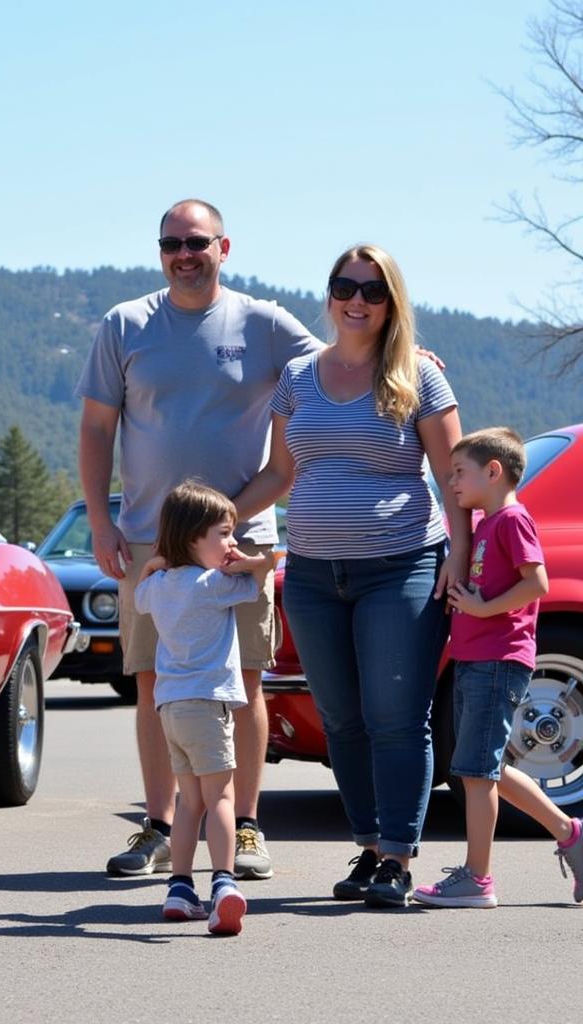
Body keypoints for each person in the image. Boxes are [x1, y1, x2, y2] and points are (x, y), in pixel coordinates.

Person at [76, 199, 322, 880]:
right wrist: (100, 519)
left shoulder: (265, 324)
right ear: (160, 252)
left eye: (197, 242)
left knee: (241, 684)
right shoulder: (124, 325)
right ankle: (158, 828)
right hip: (148, 547)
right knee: (156, 685)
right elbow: (96, 431)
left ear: (224, 246)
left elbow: (339, 368)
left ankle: (243, 827)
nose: (184, 254)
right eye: (171, 244)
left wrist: (402, 352)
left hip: (242, 547)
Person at [231, 243, 469, 908]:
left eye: (372, 290)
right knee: (340, 719)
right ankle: (367, 846)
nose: (356, 300)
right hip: (310, 574)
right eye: (345, 287)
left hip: (401, 569)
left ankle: (397, 854)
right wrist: (216, 515)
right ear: (330, 294)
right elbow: (280, 473)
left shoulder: (419, 378)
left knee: (396, 717)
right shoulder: (300, 376)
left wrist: (462, 552)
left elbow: (455, 481)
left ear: (391, 303)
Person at [413, 428, 583, 907]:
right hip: (475, 661)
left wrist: (484, 609)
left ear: (494, 471)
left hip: (498, 659)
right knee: (483, 768)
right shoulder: (485, 522)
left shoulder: (511, 520)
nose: (453, 484)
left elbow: (538, 583)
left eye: (460, 474)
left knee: (478, 773)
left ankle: (477, 878)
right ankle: (572, 835)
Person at [134, 481, 275, 934]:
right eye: (223, 533)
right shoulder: (215, 584)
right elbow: (263, 573)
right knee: (222, 799)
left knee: (189, 802)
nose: (232, 543)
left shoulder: (158, 585)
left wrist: (154, 564)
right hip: (208, 706)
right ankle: (223, 884)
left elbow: (138, 596)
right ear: (193, 537)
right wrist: (250, 560)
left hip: (170, 709)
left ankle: (179, 887)